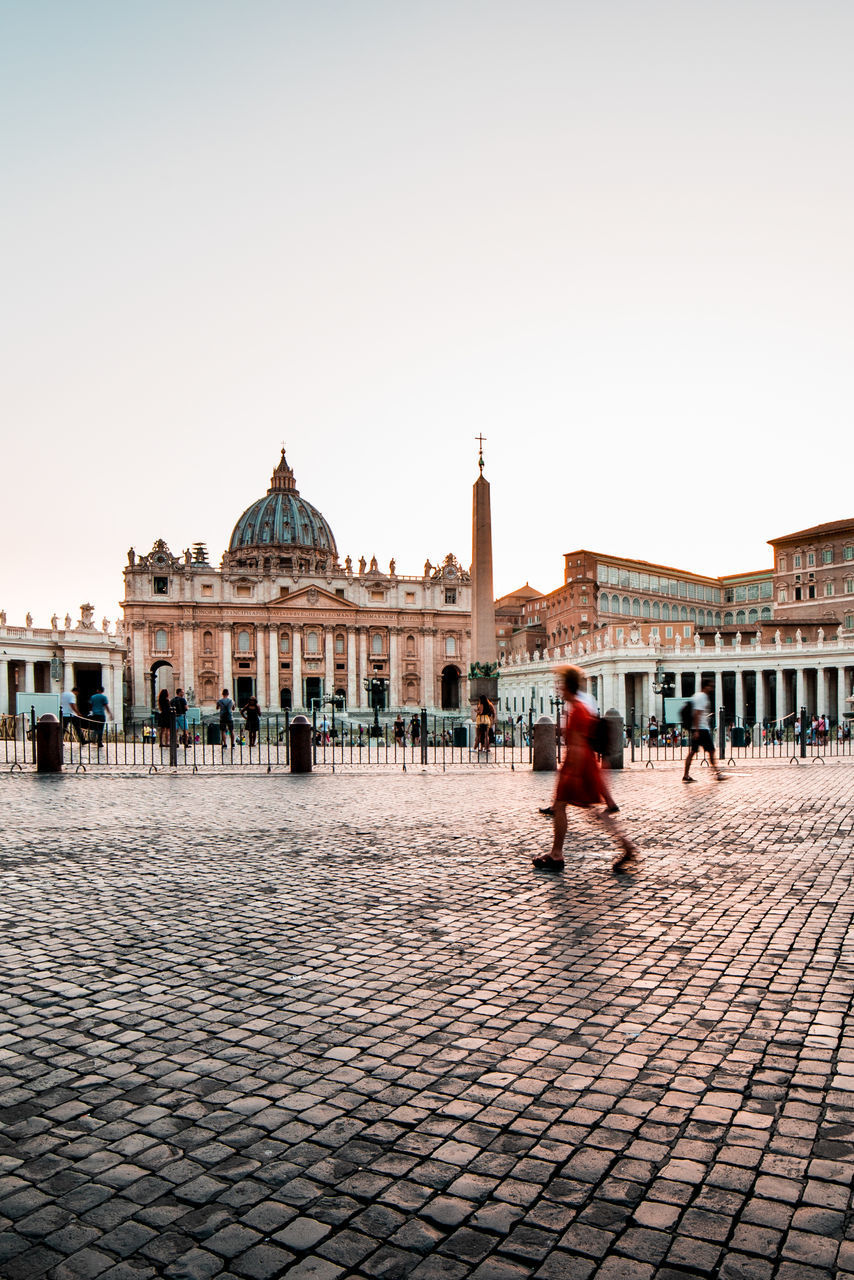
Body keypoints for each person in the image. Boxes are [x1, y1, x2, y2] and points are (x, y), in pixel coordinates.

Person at [533, 666, 638, 874]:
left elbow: (580, 746)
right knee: (588, 812)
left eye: (560, 683)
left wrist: (571, 773)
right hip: (581, 765)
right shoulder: (578, 707)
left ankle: (557, 854)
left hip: (579, 767)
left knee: (565, 807)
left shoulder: (579, 710)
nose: (558, 688)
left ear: (567, 686)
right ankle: (626, 846)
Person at [682, 679, 727, 783]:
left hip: (697, 728)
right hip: (701, 729)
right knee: (711, 751)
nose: (712, 688)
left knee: (693, 752)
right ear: (705, 687)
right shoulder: (702, 697)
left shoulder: (696, 696)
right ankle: (717, 774)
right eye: (710, 686)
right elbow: (697, 714)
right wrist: (697, 730)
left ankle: (686, 775)